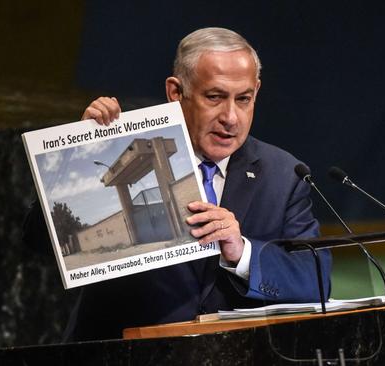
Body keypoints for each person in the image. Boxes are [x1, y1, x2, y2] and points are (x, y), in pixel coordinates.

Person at [23, 27, 331, 341]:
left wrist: (242, 254)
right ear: (175, 92)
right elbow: (39, 241)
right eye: (215, 97)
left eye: (244, 99)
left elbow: (314, 280)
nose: (231, 117)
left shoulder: (284, 174)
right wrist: (81, 150)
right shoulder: (120, 145)